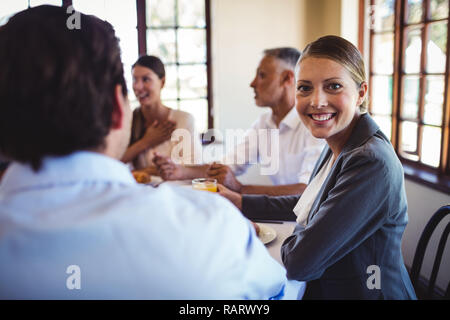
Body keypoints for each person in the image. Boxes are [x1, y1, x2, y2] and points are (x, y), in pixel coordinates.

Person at [0, 5, 286, 299]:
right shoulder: (208, 227)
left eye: (145, 79)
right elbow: (274, 290)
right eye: (132, 82)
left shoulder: (184, 124)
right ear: (116, 110)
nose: (138, 87)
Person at [218, 35, 417, 299]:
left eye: (333, 86)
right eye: (305, 88)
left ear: (361, 93)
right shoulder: (336, 142)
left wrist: (286, 234)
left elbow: (300, 262)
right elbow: (308, 203)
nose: (316, 101)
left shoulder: (370, 161)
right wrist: (241, 201)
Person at [154, 47, 325, 196]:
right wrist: (180, 171)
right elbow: (226, 166)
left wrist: (240, 188)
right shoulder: (264, 123)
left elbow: (307, 190)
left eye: (262, 75)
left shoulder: (314, 124)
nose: (252, 83)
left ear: (287, 79)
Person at [121, 55, 203, 175]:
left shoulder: (184, 120)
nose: (137, 87)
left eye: (145, 79)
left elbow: (194, 170)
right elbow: (113, 163)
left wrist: (144, 171)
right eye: (134, 80)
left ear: (162, 82)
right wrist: (146, 141)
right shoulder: (129, 120)